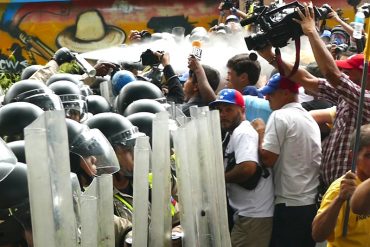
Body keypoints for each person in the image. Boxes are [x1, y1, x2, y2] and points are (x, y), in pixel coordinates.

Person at [257, 3, 370, 189]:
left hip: (353, 194)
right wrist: (270, 57)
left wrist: (311, 32)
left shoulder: (366, 100)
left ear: (367, 75)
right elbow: (307, 79)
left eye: (350, 72)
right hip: (331, 190)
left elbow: (333, 75)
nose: (346, 74)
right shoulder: (347, 98)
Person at [256, 74, 321, 247]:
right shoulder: (308, 118)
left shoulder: (279, 116)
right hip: (309, 204)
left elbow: (268, 158)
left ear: (285, 93)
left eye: (270, 93)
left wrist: (260, 131)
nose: (267, 97)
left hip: (289, 205)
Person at [209, 88, 274, 247]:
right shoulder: (232, 133)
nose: (223, 114)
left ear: (242, 110)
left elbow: (247, 168)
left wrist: (218, 179)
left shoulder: (243, 132)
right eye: (220, 110)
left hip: (254, 215)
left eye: (229, 109)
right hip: (247, 214)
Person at [312, 124, 370, 246]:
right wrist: (339, 199)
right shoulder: (340, 189)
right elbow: (318, 234)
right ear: (353, 156)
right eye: (368, 156)